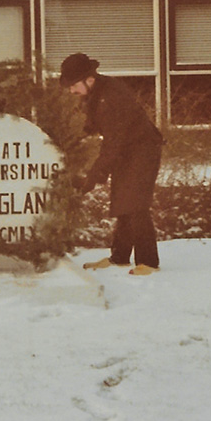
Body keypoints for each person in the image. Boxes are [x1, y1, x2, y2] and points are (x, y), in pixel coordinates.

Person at [60, 52, 165, 276]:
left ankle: (149, 262)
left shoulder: (112, 97)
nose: (71, 90)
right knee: (121, 200)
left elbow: (112, 144)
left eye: (73, 85)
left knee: (135, 202)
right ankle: (119, 257)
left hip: (143, 149)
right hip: (127, 149)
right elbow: (95, 125)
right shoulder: (98, 92)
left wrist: (93, 177)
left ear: (89, 79)